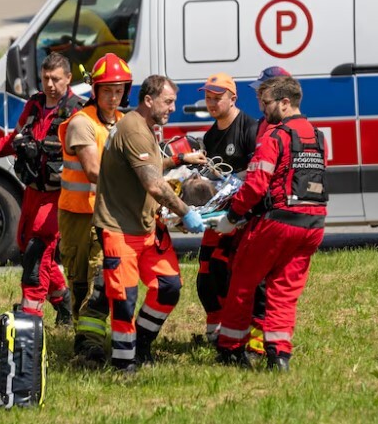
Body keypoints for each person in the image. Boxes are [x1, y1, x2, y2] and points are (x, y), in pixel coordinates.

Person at [92, 75, 207, 372]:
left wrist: (180, 159)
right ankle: (123, 364)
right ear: (149, 100)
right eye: (168, 102)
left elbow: (148, 165)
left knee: (168, 287)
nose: (172, 108)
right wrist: (185, 212)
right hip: (120, 229)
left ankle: (141, 344)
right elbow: (154, 185)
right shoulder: (135, 130)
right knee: (124, 301)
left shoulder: (145, 128)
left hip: (146, 227)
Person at [215, 75, 328, 372]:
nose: (263, 110)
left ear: (285, 103)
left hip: (277, 222)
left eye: (267, 103)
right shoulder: (317, 136)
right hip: (313, 224)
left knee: (242, 281)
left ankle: (230, 349)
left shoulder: (275, 136)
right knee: (284, 290)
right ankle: (279, 355)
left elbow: (254, 186)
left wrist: (233, 217)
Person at [0, 53, 81, 324]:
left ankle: (30, 315)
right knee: (27, 244)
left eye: (56, 79)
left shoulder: (76, 111)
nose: (49, 84)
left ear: (68, 79)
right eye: (45, 78)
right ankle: (63, 301)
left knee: (39, 249)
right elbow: (17, 140)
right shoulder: (35, 105)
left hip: (58, 194)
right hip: (32, 190)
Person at [57, 53, 131, 366]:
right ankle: (86, 343)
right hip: (78, 214)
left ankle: (90, 343)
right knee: (81, 280)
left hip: (111, 214)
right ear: (95, 91)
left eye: (118, 91)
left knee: (104, 276)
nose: (113, 97)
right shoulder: (81, 123)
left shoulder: (128, 123)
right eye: (107, 91)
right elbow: (94, 171)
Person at [194, 73, 260, 344]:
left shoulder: (249, 128)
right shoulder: (210, 136)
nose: (211, 103)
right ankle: (214, 330)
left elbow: (258, 176)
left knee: (232, 275)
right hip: (217, 217)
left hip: (243, 218)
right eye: (208, 97)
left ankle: (244, 335)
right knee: (206, 276)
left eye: (217, 98)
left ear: (233, 99)